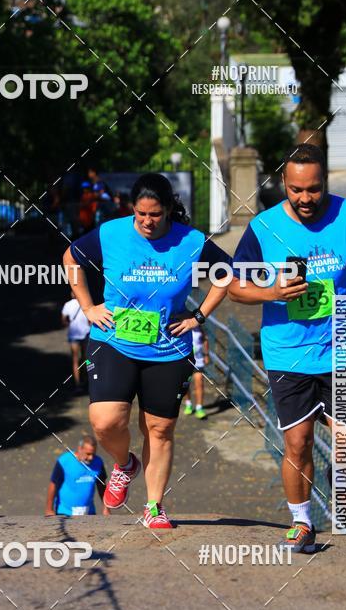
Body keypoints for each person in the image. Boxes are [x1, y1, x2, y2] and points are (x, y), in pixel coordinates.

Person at [228, 143, 346, 552]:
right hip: (287, 350)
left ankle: (344, 497)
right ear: (283, 183)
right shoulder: (264, 227)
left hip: (343, 341)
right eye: (296, 190)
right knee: (298, 443)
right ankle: (302, 522)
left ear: (325, 182)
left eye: (314, 189)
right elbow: (234, 286)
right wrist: (272, 292)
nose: (305, 198)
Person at [63, 171, 231, 529]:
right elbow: (70, 258)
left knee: (159, 428)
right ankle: (125, 464)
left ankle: (154, 507)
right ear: (132, 209)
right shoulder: (111, 233)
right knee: (105, 421)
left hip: (168, 348)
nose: (147, 221)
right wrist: (88, 307)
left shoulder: (191, 240)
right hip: (113, 340)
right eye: (140, 214)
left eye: (155, 214)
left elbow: (226, 273)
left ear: (168, 209)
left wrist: (199, 316)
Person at [45, 434, 109, 516]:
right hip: (65, 513)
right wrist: (49, 509)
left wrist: (106, 508)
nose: (91, 458)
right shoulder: (64, 461)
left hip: (89, 513)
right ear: (80, 449)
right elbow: (53, 484)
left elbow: (102, 487)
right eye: (88, 454)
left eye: (93, 454)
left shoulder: (98, 462)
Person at [61, 292, 91, 392]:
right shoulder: (86, 303)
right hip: (86, 333)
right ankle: (86, 380)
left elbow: (63, 321)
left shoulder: (67, 305)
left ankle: (77, 384)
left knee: (75, 360)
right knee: (86, 359)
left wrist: (70, 324)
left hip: (73, 335)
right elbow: (90, 320)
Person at [183, 327, 209, 418]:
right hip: (185, 361)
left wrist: (206, 355)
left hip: (198, 361)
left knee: (199, 382)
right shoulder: (182, 325)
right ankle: (188, 403)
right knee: (185, 384)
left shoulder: (199, 328)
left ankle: (199, 408)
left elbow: (205, 340)